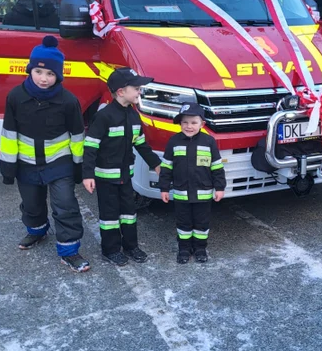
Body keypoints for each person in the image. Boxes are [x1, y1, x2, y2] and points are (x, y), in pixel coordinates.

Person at [0, 35, 90, 272]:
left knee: (65, 205)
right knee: (32, 204)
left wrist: (79, 167)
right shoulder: (15, 97)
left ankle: (69, 251)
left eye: (50, 74)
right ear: (30, 70)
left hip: (59, 163)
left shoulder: (69, 101)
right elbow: (9, 134)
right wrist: (8, 168)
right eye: (39, 72)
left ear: (58, 76)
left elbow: (78, 137)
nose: (44, 78)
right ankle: (37, 231)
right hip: (26, 163)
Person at [82, 68, 161, 266]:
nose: (139, 92)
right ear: (120, 91)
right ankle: (110, 250)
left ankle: (131, 246)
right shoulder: (104, 117)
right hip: (106, 178)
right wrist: (87, 174)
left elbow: (141, 145)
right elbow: (90, 147)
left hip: (126, 177)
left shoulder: (134, 117)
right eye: (136, 88)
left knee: (128, 213)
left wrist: (156, 164)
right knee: (109, 216)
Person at [159, 102, 226, 264]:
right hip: (181, 194)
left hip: (203, 194)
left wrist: (220, 187)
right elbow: (166, 167)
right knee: (183, 223)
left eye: (194, 122)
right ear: (180, 123)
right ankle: (184, 249)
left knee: (202, 223)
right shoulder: (173, 141)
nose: (189, 126)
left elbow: (216, 167)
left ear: (202, 124)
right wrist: (164, 188)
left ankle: (200, 248)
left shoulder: (209, 142)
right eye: (185, 122)